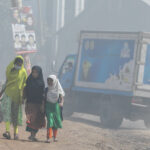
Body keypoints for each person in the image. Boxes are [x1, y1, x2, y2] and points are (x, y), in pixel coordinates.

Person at [0, 56, 27, 140]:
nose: (19, 65)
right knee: (7, 113)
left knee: (15, 115)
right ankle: (7, 131)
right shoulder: (10, 71)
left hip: (17, 96)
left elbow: (24, 85)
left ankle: (16, 133)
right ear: (14, 63)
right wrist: (1, 93)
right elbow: (6, 82)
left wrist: (23, 97)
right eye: (17, 63)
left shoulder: (23, 72)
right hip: (8, 94)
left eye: (20, 63)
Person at [25, 66, 45, 141]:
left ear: (39, 73)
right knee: (31, 119)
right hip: (30, 103)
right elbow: (26, 90)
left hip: (38, 104)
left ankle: (33, 135)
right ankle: (32, 135)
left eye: (36, 72)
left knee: (37, 120)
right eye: (33, 72)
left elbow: (43, 94)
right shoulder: (29, 80)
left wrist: (42, 104)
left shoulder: (41, 83)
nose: (34, 74)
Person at [45, 75, 65, 143]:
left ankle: (55, 137)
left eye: (51, 80)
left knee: (56, 122)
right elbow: (43, 98)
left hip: (56, 107)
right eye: (48, 80)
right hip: (48, 107)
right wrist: (42, 106)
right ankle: (48, 137)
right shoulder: (46, 89)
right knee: (50, 122)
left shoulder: (58, 90)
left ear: (55, 81)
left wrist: (61, 103)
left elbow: (61, 97)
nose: (49, 82)